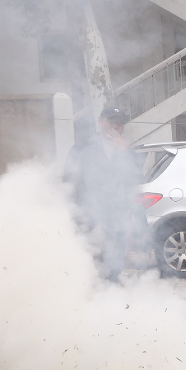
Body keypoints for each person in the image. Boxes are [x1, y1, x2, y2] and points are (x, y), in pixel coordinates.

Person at [64, 107, 146, 280]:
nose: (116, 126)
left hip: (116, 219)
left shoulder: (127, 151)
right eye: (111, 121)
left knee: (114, 265)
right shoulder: (81, 149)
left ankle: (111, 297)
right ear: (100, 122)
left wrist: (122, 153)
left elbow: (136, 178)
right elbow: (68, 183)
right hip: (88, 218)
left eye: (120, 123)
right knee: (90, 265)